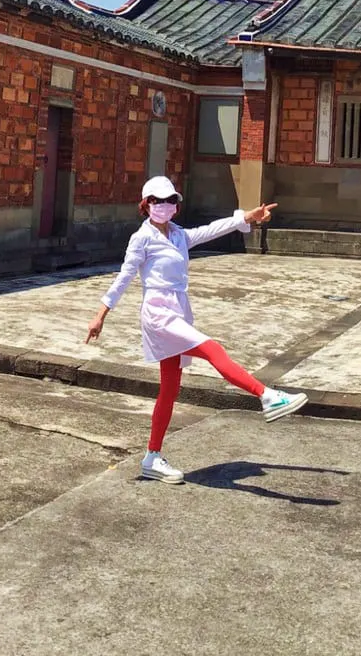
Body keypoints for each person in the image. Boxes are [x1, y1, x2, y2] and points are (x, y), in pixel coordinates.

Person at [86, 176, 308, 484]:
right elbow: (124, 276)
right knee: (211, 348)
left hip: (178, 311)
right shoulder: (142, 238)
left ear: (176, 205)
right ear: (146, 204)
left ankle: (152, 457)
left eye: (170, 201)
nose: (164, 206)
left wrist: (249, 216)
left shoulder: (179, 235)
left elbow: (212, 229)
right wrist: (101, 315)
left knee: (169, 390)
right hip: (159, 315)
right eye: (157, 201)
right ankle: (267, 395)